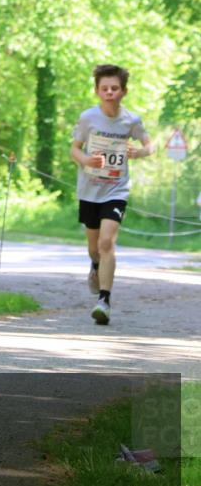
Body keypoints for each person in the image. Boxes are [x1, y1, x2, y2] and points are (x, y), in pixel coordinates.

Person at [70, 64, 153, 325]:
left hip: (117, 189)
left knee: (107, 243)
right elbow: (74, 149)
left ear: (123, 91)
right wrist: (86, 160)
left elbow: (150, 145)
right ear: (97, 91)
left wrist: (139, 152)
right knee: (94, 248)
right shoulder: (88, 118)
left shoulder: (131, 120)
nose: (109, 92)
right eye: (104, 88)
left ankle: (104, 301)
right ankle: (95, 266)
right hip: (89, 190)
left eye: (114, 88)